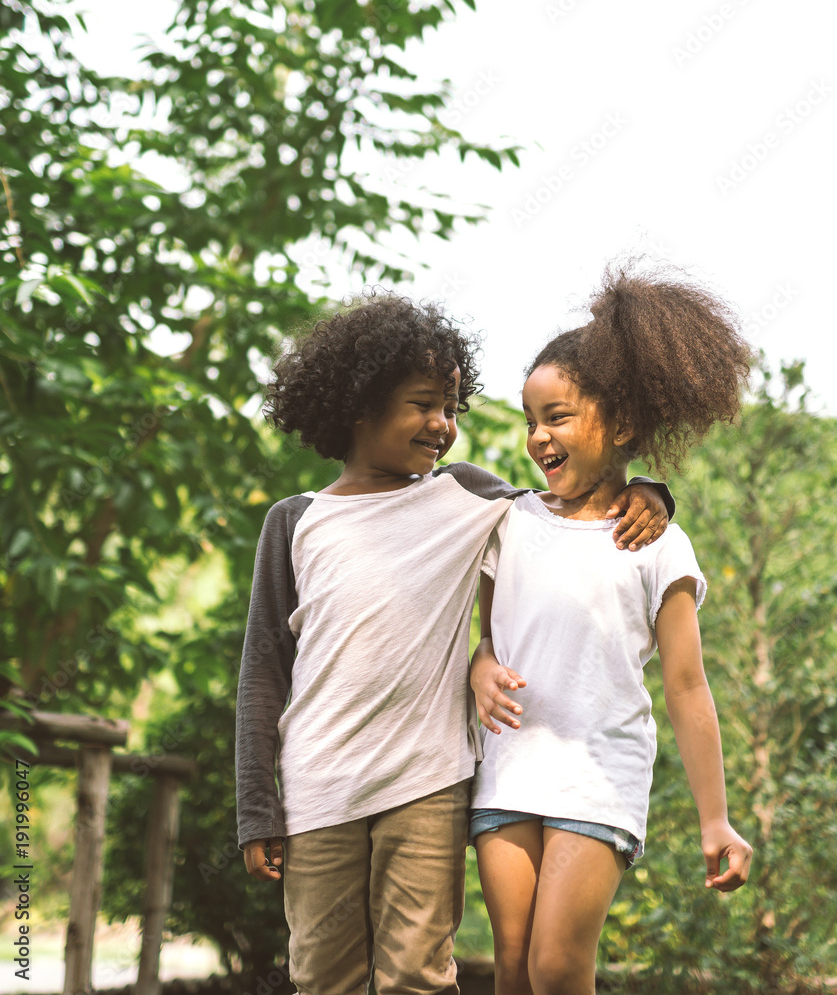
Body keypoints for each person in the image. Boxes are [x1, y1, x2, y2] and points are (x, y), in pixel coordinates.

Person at [234, 290, 675, 995]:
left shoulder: (469, 496)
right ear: (358, 404)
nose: (442, 424)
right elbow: (263, 674)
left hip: (428, 785)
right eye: (423, 404)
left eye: (451, 408)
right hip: (319, 789)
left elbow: (571, 502)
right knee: (324, 978)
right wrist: (258, 806)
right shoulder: (295, 523)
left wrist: (650, 491)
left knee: (417, 974)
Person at [470, 262, 756, 995]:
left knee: (558, 966)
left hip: (601, 775)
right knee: (510, 968)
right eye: (530, 420)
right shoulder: (506, 520)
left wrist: (714, 821)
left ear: (621, 425)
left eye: (557, 417)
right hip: (507, 768)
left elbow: (688, 689)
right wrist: (479, 663)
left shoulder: (658, 540)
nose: (538, 436)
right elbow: (486, 633)